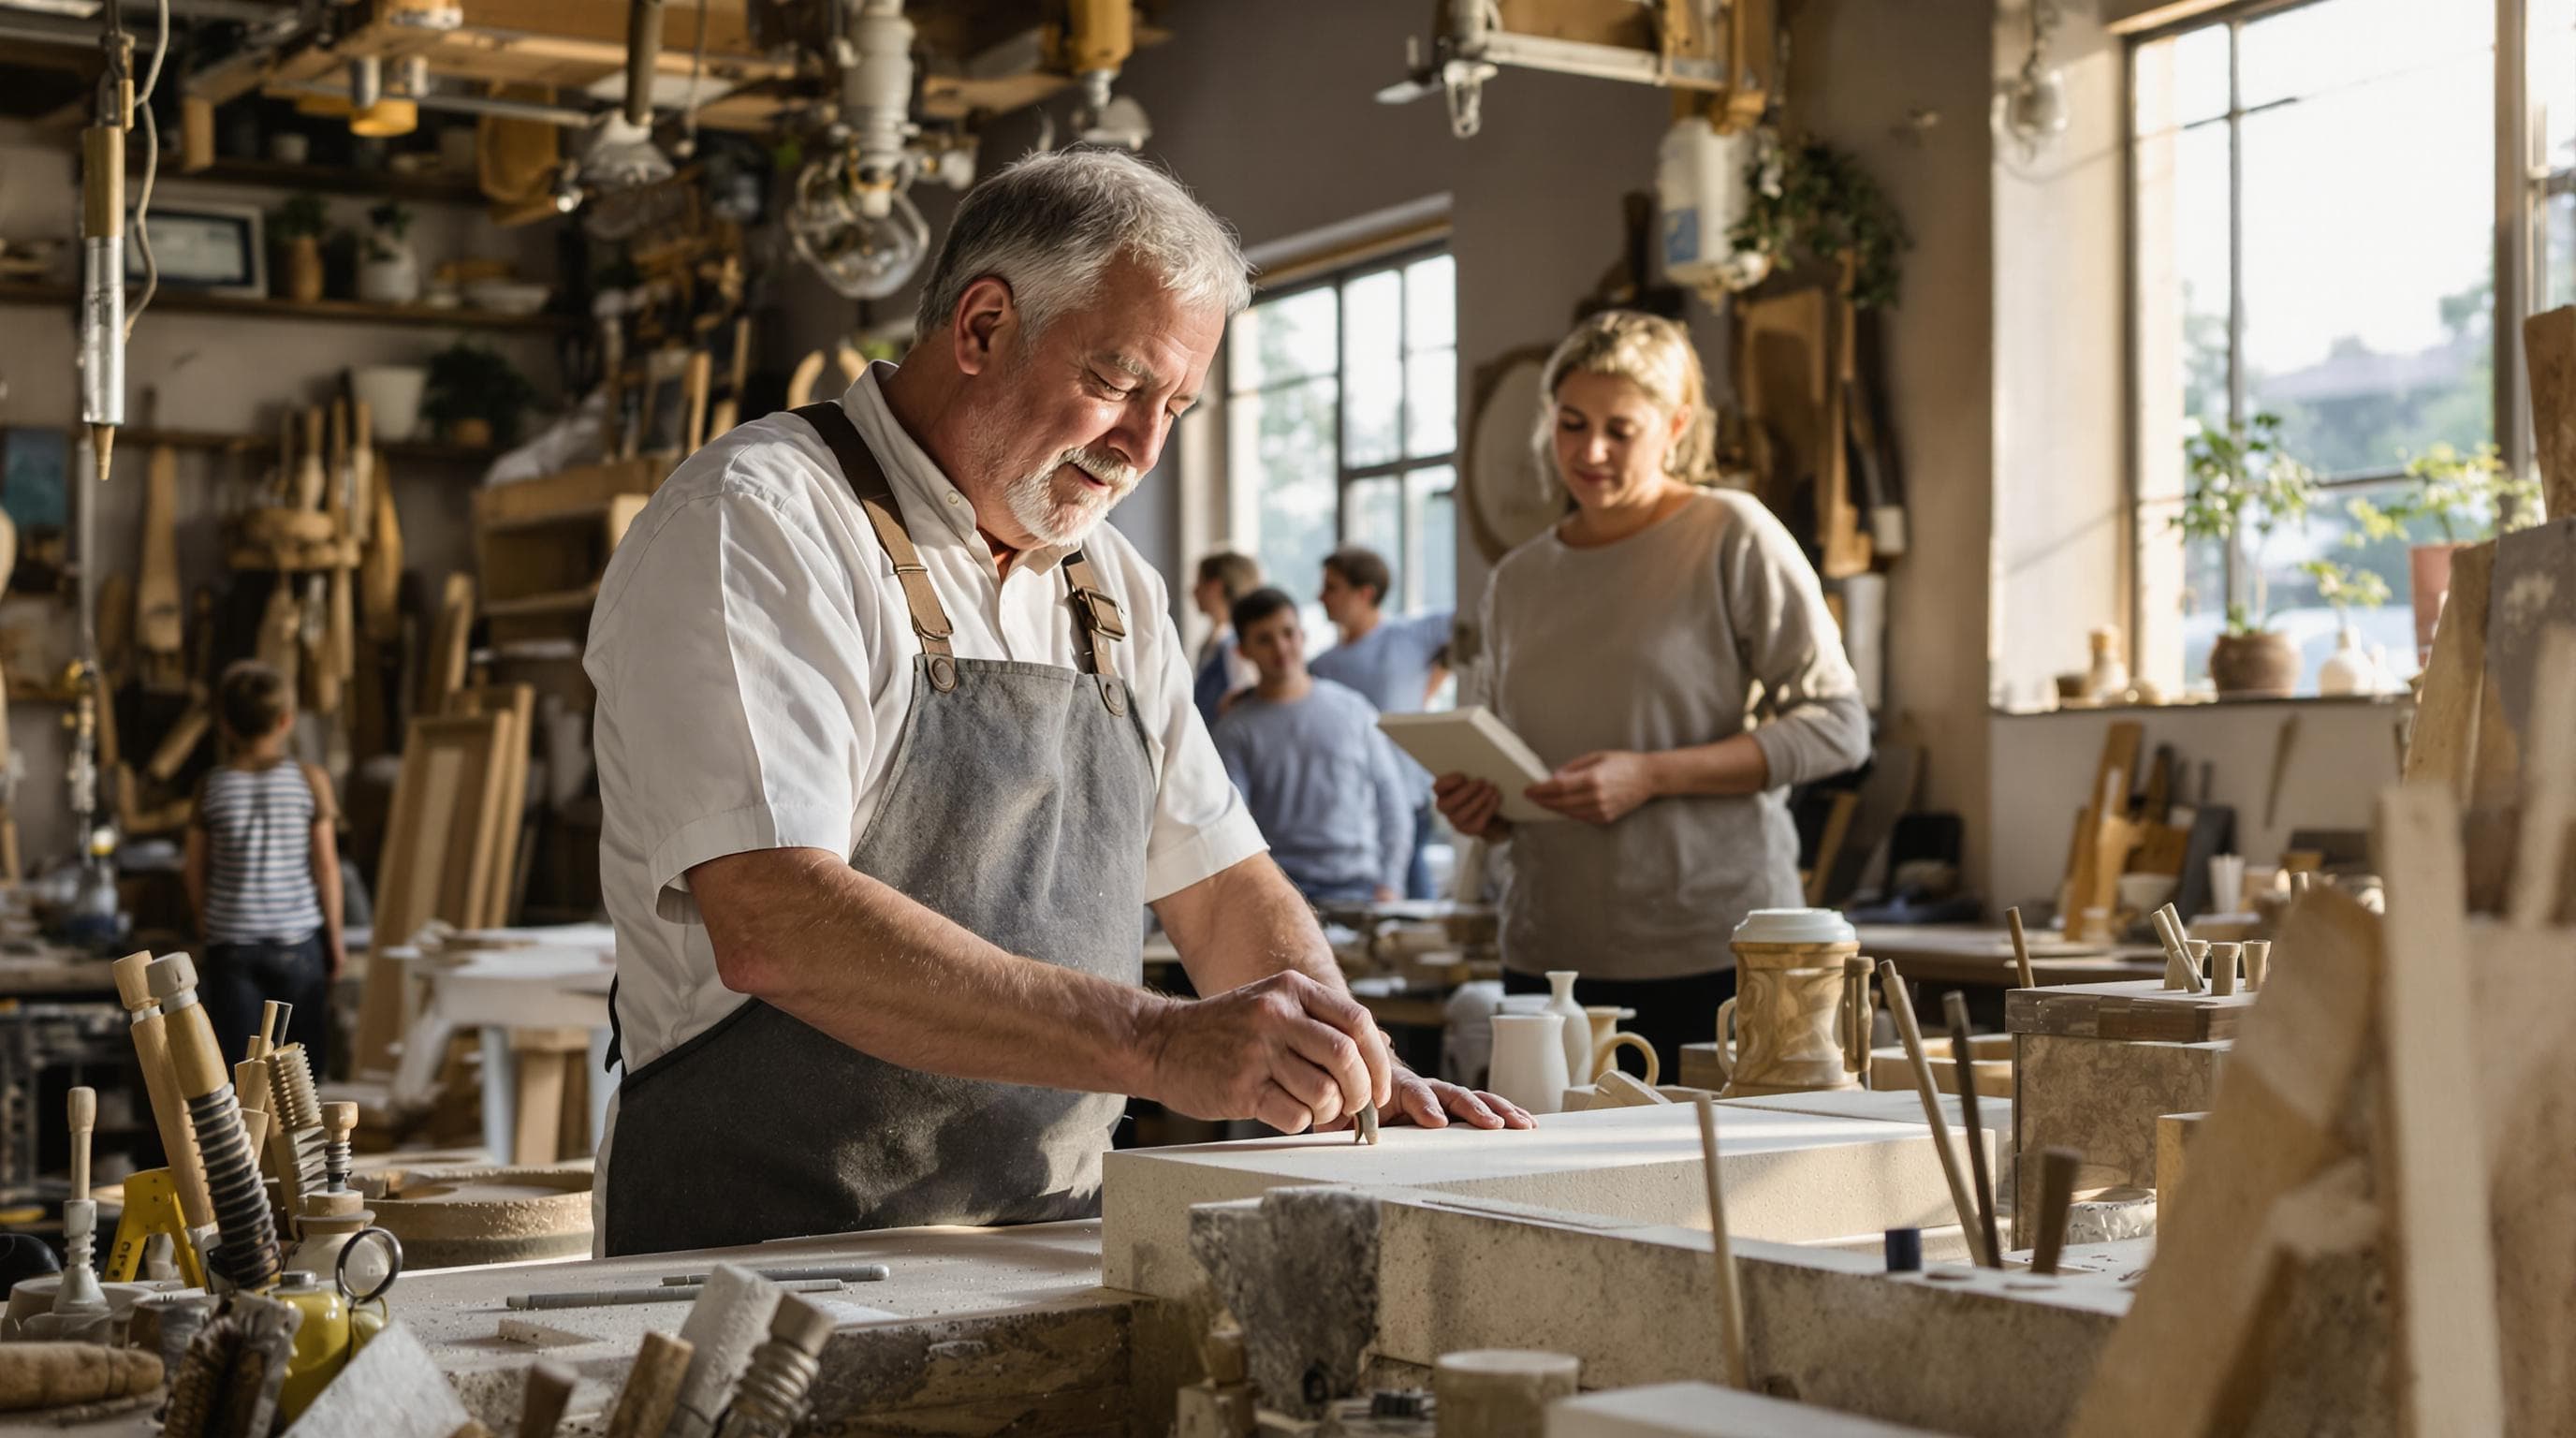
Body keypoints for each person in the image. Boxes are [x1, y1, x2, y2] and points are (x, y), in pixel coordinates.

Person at [587, 150, 1528, 1257]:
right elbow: (775, 917)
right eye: (1121, 385)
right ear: (982, 327)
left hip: (1043, 1240)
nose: (1143, 450)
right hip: (760, 1252)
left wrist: (1346, 1058)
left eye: (1177, 405)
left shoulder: (1110, 586)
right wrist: (1157, 1042)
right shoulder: (760, 521)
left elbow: (1221, 884)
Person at [1431, 311, 1870, 1072]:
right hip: (1549, 962)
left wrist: (1652, 775)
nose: (1590, 452)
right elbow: (1518, 762)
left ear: (1675, 425)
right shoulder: (1519, 580)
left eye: (1619, 430)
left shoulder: (1732, 533)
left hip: (1717, 954)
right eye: (1571, 424)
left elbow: (1840, 727)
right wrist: (1487, 808)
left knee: (1717, 1191)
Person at [181, 660, 344, 1071]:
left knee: (242, 1074)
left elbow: (194, 867)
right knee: (301, 1080)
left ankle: (250, 1140)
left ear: (225, 725)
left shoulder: (212, 785)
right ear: (286, 721)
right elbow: (326, 866)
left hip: (232, 941)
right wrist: (335, 939)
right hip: (296, 941)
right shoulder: (310, 780)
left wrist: (205, 923)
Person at [1211, 587, 1412, 905]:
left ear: (1303, 635)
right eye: (1264, 639)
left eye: (1288, 633)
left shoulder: (1354, 710)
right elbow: (1231, 826)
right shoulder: (1234, 729)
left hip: (1360, 890)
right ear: (1243, 651)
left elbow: (1393, 802)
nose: (1281, 647)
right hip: (1280, 895)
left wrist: (1391, 884)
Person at [1310, 547, 1452, 899]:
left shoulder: (1413, 635)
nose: (1321, 596)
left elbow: (1476, 623)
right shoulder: (1322, 667)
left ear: (1366, 593)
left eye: (1333, 587)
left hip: (1409, 801)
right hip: (1350, 815)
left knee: (1419, 910)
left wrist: (1432, 682)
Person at [1189, 550, 1261, 726]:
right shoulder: (1214, 641)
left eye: (1199, 582)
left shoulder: (1234, 646)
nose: (1193, 590)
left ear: (1215, 587)